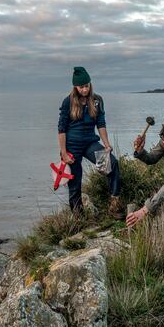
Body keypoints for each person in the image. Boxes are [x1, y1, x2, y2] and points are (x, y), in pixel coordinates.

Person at [58, 66, 123, 217]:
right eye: (81, 87)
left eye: (87, 86)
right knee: (75, 183)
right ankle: (78, 217)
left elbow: (101, 123)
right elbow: (61, 129)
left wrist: (107, 145)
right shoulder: (68, 102)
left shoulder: (97, 100)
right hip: (71, 147)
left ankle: (114, 204)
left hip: (90, 144)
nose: (85, 89)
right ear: (75, 87)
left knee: (112, 164)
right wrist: (63, 153)